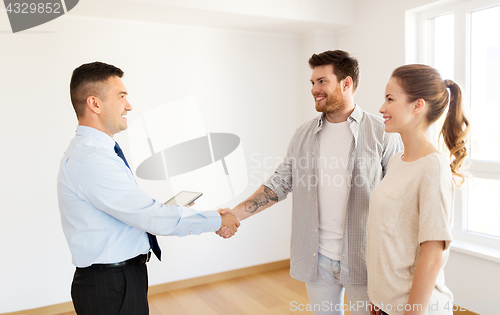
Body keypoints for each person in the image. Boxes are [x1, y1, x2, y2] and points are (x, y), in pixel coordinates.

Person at [219, 50, 403, 315]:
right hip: (317, 258)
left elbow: (397, 202)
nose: (315, 89)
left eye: (322, 81)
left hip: (366, 258)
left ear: (346, 83)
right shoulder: (304, 134)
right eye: (313, 83)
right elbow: (280, 183)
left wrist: (393, 269)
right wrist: (234, 214)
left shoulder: (382, 133)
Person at [57, 61, 240, 315]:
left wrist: (167, 210)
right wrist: (216, 220)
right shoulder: (92, 159)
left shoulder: (97, 153)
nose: (129, 105)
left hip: (118, 278)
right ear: (94, 104)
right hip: (111, 284)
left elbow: (132, 213)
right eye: (121, 96)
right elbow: (150, 218)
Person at [366, 64, 469, 315]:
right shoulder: (396, 161)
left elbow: (432, 256)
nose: (382, 108)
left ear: (417, 105)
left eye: (390, 99)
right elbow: (389, 235)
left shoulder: (433, 167)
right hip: (386, 304)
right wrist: (378, 296)